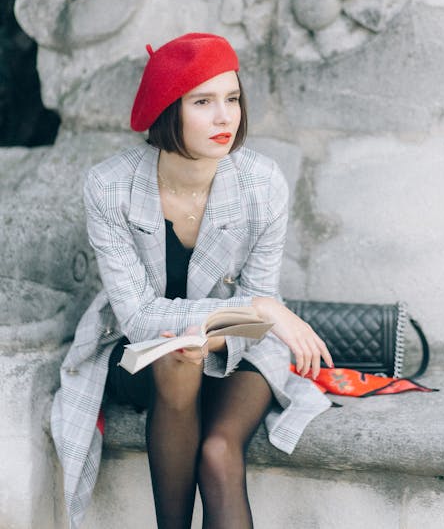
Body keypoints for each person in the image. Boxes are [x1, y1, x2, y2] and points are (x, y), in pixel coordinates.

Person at [51, 32, 333, 529]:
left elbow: (259, 301)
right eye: (203, 101)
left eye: (232, 98)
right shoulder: (110, 186)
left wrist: (247, 318)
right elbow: (138, 317)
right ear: (168, 109)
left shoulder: (262, 184)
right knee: (179, 359)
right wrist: (258, 309)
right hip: (144, 357)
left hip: (242, 346)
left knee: (221, 452)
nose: (225, 117)